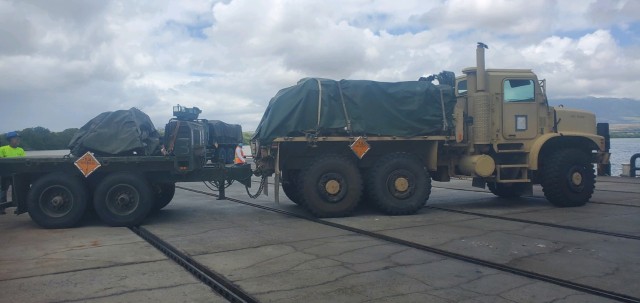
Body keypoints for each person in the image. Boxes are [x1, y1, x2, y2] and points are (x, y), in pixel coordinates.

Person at [0, 131, 25, 212]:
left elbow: (23, 162)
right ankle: (1, 208)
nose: (18, 140)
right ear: (10, 140)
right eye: (15, 139)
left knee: (16, 191)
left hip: (16, 174)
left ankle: (18, 207)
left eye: (19, 139)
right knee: (3, 191)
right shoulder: (2, 149)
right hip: (4, 173)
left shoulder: (21, 150)